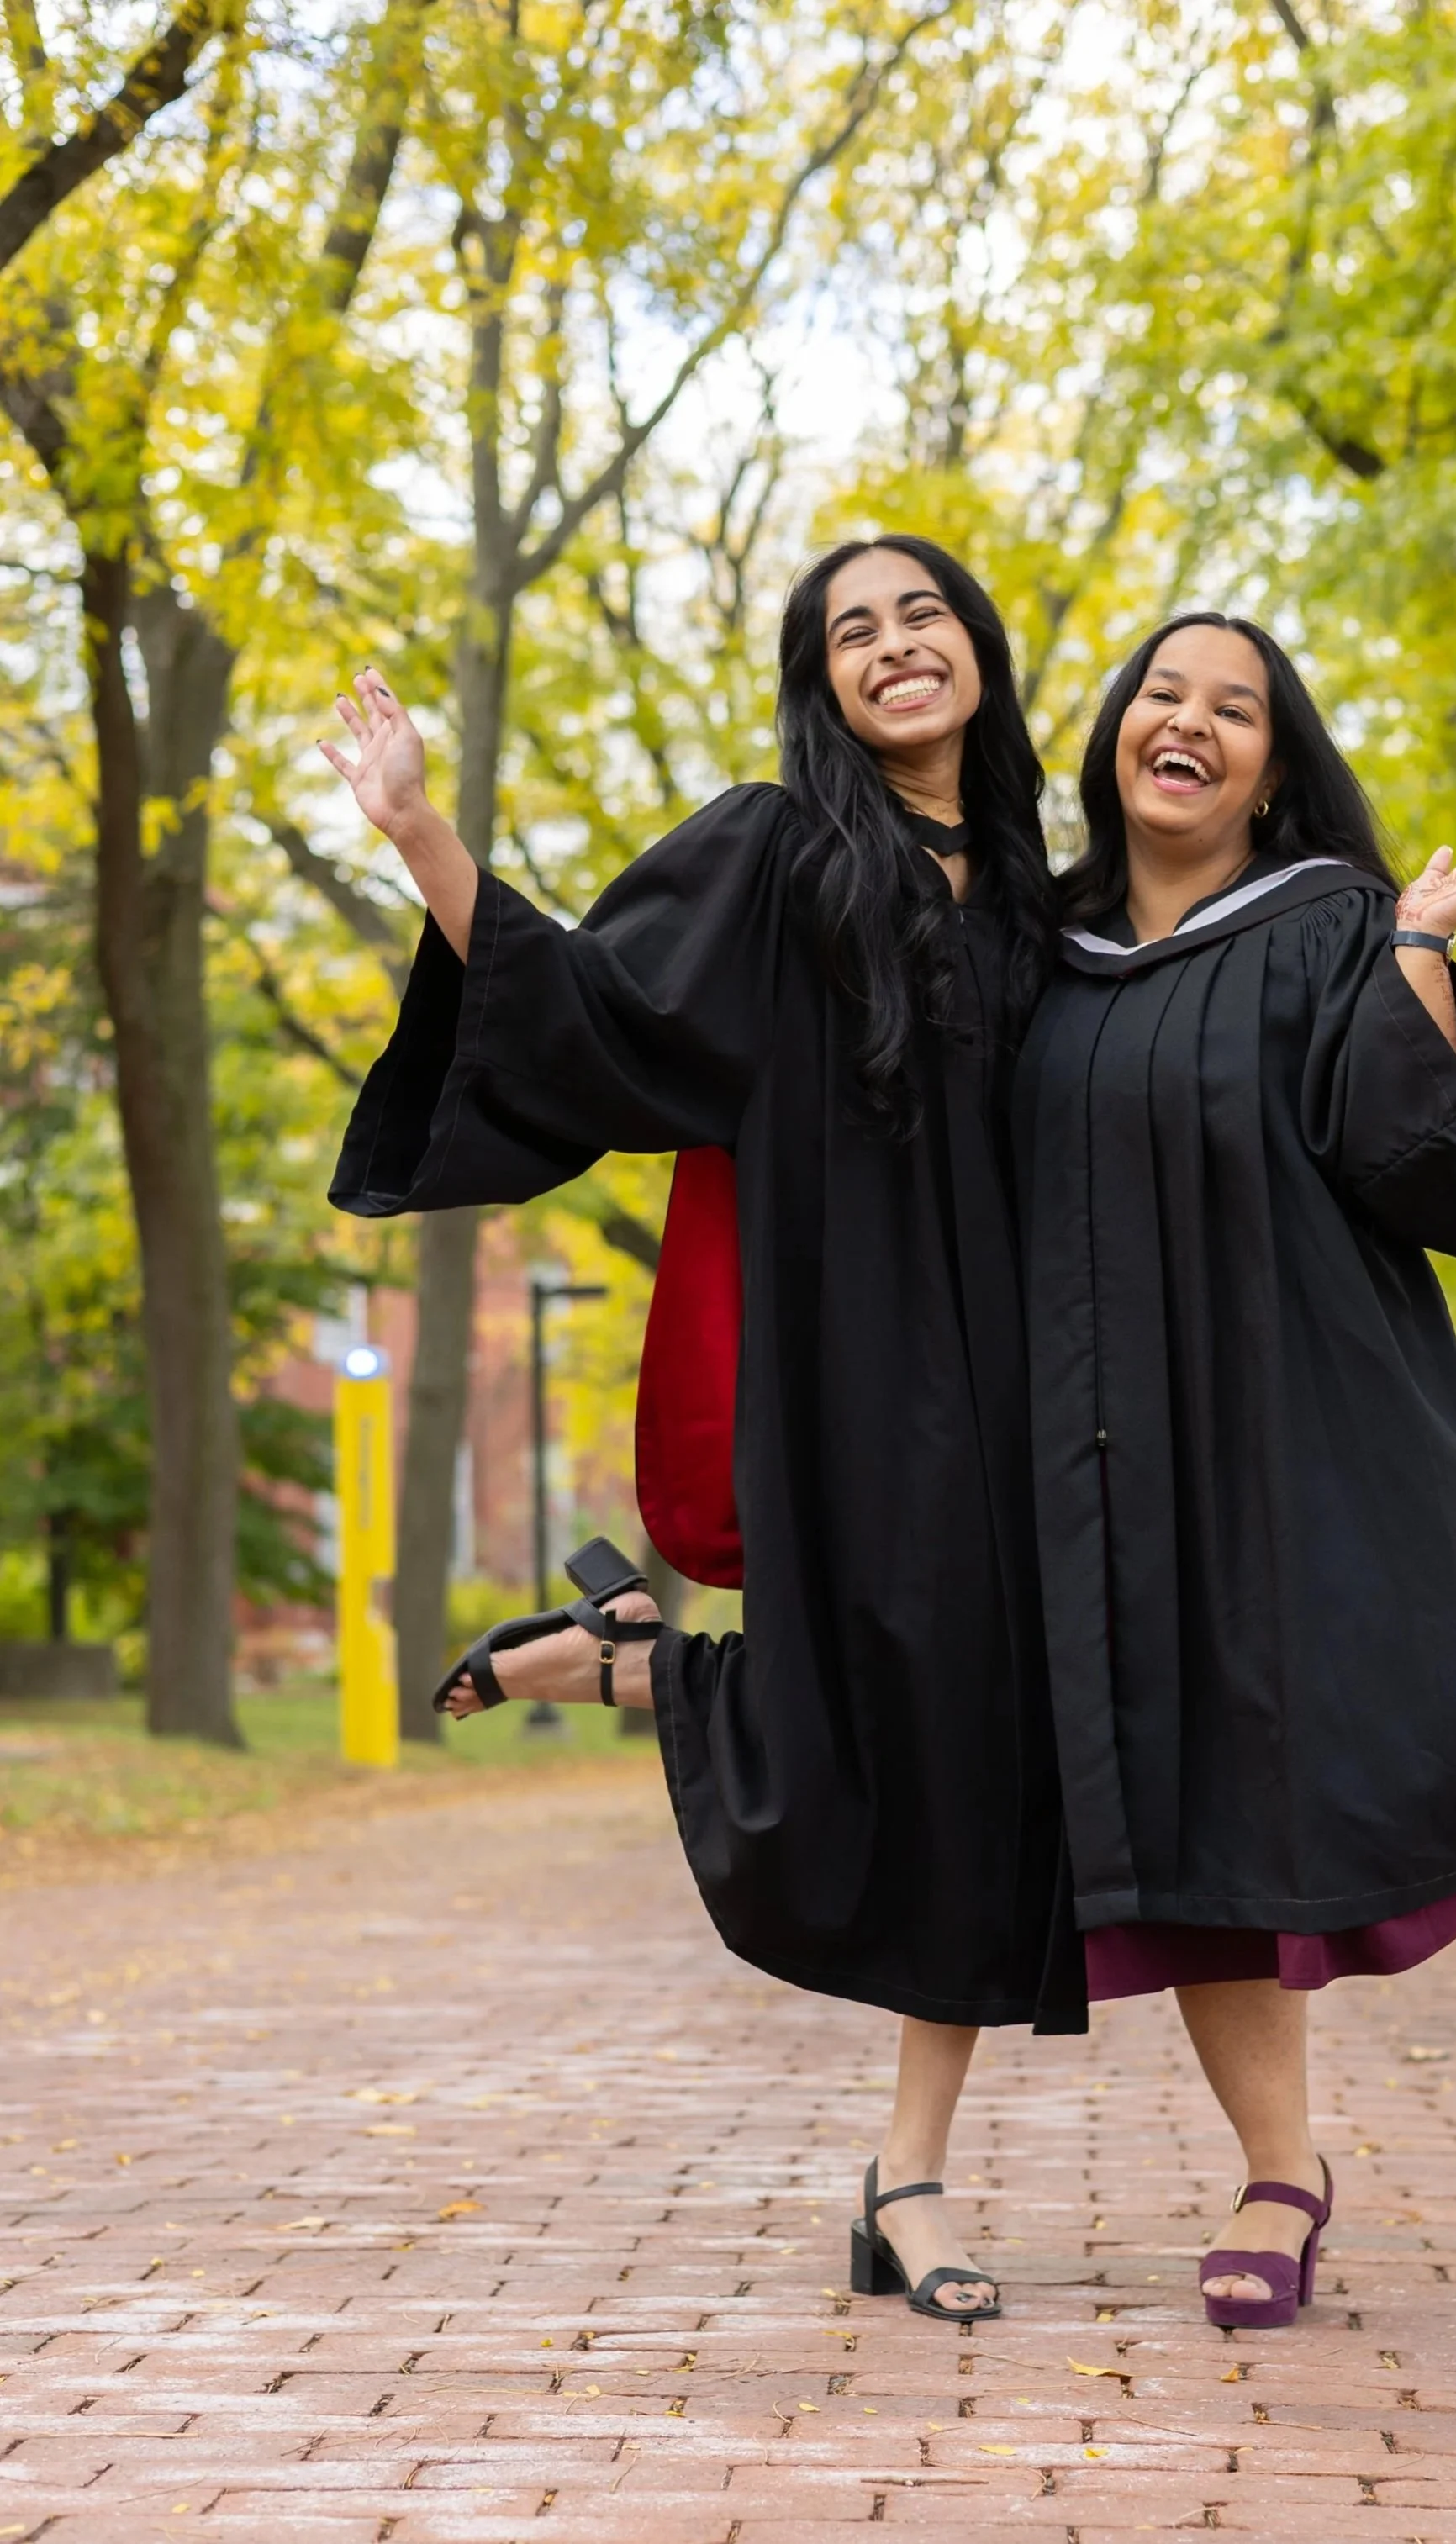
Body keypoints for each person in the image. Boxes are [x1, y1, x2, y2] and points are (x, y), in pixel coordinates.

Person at [321, 536, 1084, 2323]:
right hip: (866, 1377)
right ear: (819, 684)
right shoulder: (776, 852)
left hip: (1046, 1389)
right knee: (906, 1739)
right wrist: (422, 834)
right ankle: (910, 2174)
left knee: (988, 1754)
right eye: (851, 632)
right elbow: (591, 1015)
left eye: (923, 614)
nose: (895, 646)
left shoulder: (1053, 890)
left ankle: (627, 1668)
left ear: (977, 648)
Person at [1012, 614, 1456, 2330]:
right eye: (1164, 694)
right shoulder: (1034, 947)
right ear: (1115, 733)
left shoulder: (1329, 927)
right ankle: (1281, 2172)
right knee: (1194, 1801)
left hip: (1315, 1400)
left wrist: (1418, 949)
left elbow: (1427, 1164)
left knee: (1363, 1682)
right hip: (1106, 1442)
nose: (1191, 723)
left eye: (1237, 710)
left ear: (1276, 770)